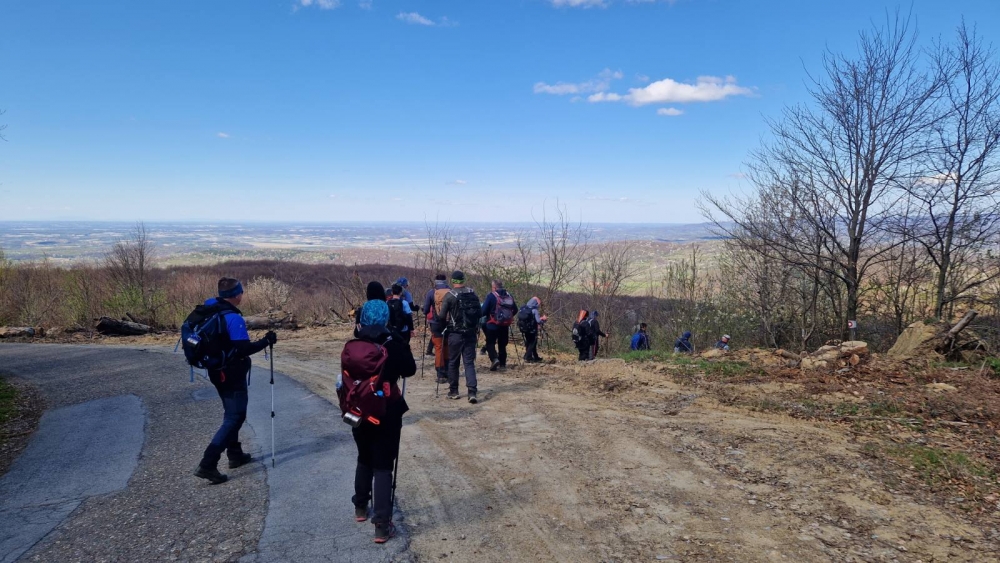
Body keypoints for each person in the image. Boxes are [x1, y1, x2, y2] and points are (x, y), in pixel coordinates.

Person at [348, 283, 416, 544]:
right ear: (386, 316)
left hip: (357, 409)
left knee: (364, 456)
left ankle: (360, 507)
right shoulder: (394, 343)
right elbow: (409, 370)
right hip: (387, 409)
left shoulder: (354, 343)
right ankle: (382, 525)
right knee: (384, 465)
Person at [194, 277, 277, 485]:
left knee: (231, 412)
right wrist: (266, 341)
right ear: (237, 294)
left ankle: (235, 454)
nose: (242, 294)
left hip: (216, 370)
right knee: (236, 415)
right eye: (241, 291)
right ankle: (208, 463)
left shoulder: (210, 308)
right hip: (231, 372)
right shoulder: (232, 318)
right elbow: (243, 349)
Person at [436, 270, 481, 403]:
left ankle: (454, 391)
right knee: (469, 363)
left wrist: (443, 327)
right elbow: (481, 312)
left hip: (455, 334)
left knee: (453, 362)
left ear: (453, 281)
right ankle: (472, 392)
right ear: (463, 280)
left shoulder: (450, 296)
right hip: (470, 333)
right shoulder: (472, 293)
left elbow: (442, 316)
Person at [481, 280, 517, 371]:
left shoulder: (491, 296)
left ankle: (494, 359)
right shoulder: (509, 296)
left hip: (492, 324)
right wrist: (507, 317)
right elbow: (515, 309)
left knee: (490, 343)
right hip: (505, 325)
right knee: (502, 345)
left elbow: (483, 311)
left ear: (494, 287)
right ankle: (503, 364)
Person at [421, 273, 450, 383]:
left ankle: (440, 374)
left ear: (436, 281)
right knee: (447, 345)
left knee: (438, 347)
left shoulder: (431, 293)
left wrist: (424, 309)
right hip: (448, 323)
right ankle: (448, 371)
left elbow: (425, 310)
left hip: (436, 323)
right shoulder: (451, 292)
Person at [517, 297, 546, 363]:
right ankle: (527, 357)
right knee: (532, 343)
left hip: (524, 328)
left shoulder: (523, 307)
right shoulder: (534, 310)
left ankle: (534, 356)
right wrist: (543, 319)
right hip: (532, 329)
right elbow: (538, 321)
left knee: (529, 342)